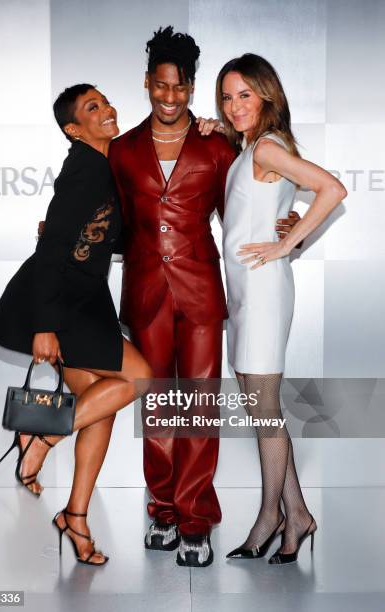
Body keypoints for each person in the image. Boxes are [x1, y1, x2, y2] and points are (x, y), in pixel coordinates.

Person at [108, 27, 300, 567]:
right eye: (161, 87)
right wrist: (68, 236)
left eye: (181, 88)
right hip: (144, 292)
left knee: (196, 409)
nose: (170, 98)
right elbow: (118, 225)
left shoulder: (218, 145)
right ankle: (163, 510)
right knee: (158, 410)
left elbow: (245, 206)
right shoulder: (121, 152)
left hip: (200, 294)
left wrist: (287, 224)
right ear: (148, 83)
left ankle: (196, 518)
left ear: (192, 88)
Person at [0, 84, 152, 566]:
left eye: (105, 100)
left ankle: (75, 517)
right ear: (73, 130)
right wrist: (45, 325)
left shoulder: (109, 163)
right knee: (137, 378)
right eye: (92, 108)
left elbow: (95, 237)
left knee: (102, 404)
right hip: (64, 302)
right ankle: (42, 436)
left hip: (87, 297)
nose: (107, 109)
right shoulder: (83, 166)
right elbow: (55, 247)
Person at [217, 54, 347, 564]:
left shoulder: (267, 148)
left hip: (265, 291)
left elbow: (331, 189)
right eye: (227, 97)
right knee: (258, 409)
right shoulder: (250, 147)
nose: (234, 106)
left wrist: (287, 243)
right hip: (245, 293)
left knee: (265, 411)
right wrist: (284, 230)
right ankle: (299, 515)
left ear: (267, 95)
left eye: (245, 94)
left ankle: (270, 517)